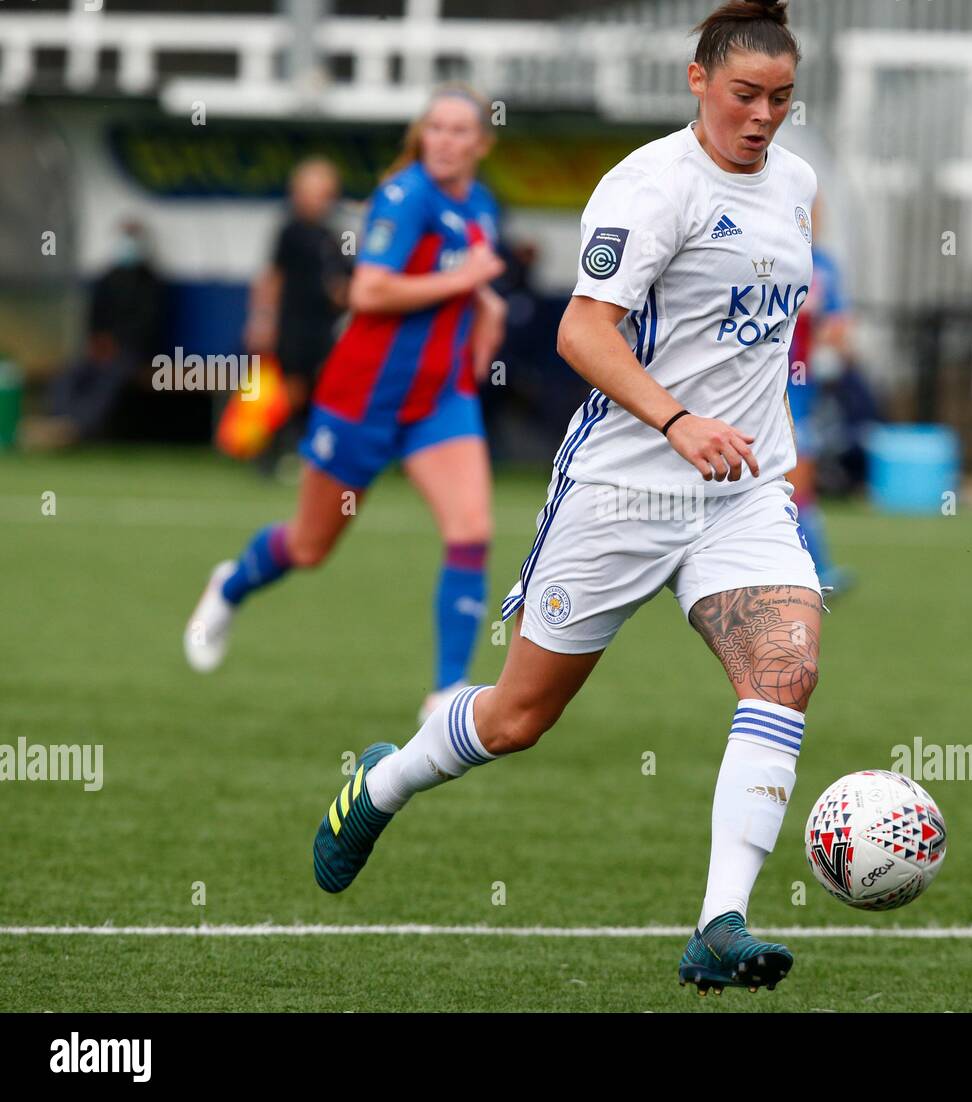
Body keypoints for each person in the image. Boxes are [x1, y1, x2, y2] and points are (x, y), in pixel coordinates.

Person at [313, 0, 823, 998]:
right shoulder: (649, 185)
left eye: (781, 98)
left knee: (785, 669)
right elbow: (584, 335)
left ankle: (719, 922)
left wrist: (748, 438)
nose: (762, 117)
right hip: (625, 489)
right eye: (743, 95)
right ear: (696, 81)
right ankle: (381, 783)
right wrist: (679, 421)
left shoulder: (796, 184)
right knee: (514, 720)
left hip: (743, 491)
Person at [184, 87, 508, 724]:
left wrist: (486, 305)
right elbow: (370, 288)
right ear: (422, 136)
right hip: (364, 399)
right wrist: (465, 282)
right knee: (309, 548)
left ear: (481, 142)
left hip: (439, 398)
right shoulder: (405, 195)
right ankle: (230, 584)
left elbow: (467, 281)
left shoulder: (481, 203)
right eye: (435, 128)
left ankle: (446, 692)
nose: (445, 140)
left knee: (471, 532)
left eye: (459, 130)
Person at [243, 157, 351, 472]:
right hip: (294, 323)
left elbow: (347, 276)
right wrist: (262, 318)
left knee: (324, 390)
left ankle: (309, 454)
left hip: (326, 326)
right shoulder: (290, 231)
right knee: (291, 390)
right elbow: (272, 277)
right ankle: (269, 455)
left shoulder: (336, 234)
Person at [34, 220, 166, 447]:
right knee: (70, 375)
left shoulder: (152, 283)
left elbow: (148, 324)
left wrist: (118, 343)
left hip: (132, 351)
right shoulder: (107, 278)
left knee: (110, 380)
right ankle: (59, 422)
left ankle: (78, 429)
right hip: (100, 349)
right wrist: (98, 341)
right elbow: (94, 318)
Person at [786, 205, 854, 592]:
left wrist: (834, 344)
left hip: (800, 391)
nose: (813, 216)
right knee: (797, 483)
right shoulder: (767, 252)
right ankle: (816, 570)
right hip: (763, 388)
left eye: (818, 209)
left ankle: (815, 569)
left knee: (798, 483)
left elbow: (840, 327)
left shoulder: (823, 263)